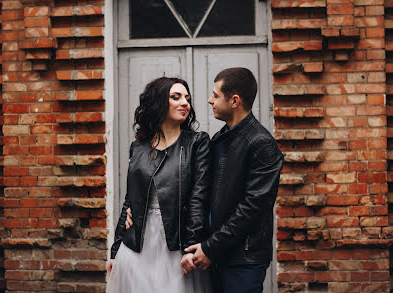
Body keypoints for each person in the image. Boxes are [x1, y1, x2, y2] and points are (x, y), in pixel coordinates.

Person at [106, 77, 212, 293]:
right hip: (138, 243)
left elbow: (198, 198)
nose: (185, 102)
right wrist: (115, 251)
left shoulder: (197, 143)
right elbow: (129, 200)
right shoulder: (138, 147)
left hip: (177, 241)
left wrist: (190, 248)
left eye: (187, 98)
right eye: (176, 97)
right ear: (159, 102)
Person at [184, 67, 284, 293]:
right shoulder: (221, 139)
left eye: (216, 95)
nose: (210, 100)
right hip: (216, 255)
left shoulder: (261, 144)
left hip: (242, 260)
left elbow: (252, 208)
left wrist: (210, 248)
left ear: (235, 100)